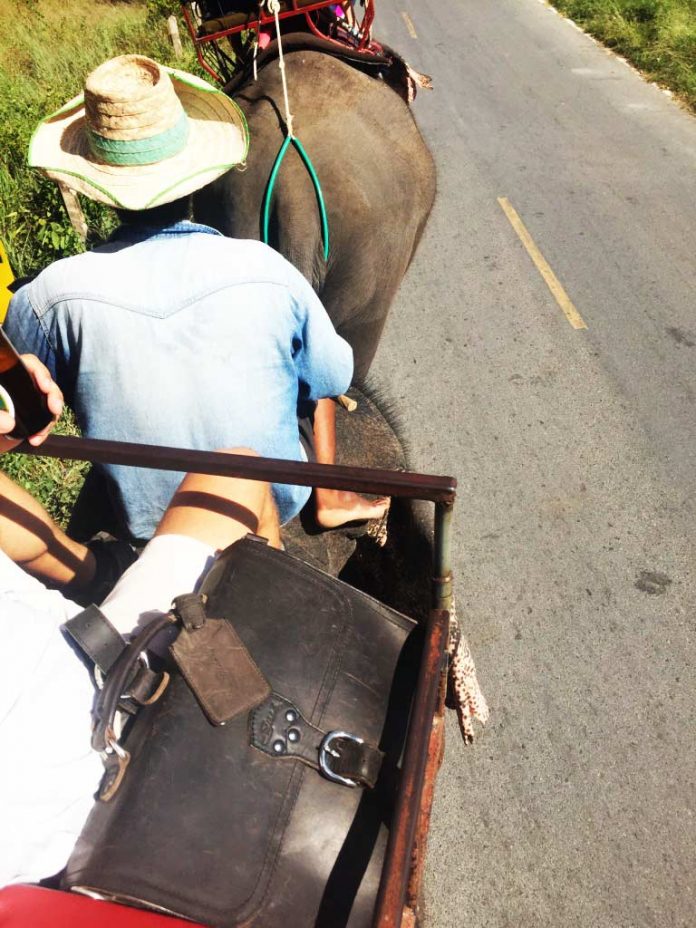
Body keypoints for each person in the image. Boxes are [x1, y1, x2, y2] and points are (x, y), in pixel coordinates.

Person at [4, 54, 388, 542]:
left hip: (142, 521)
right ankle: (328, 500)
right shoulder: (268, 268)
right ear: (197, 173)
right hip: (273, 501)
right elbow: (336, 375)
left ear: (96, 185)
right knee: (315, 373)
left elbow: (23, 403)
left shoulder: (47, 297)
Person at [0, 354, 282, 886]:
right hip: (91, 705)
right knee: (238, 472)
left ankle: (91, 572)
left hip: (66, 676)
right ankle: (277, 651)